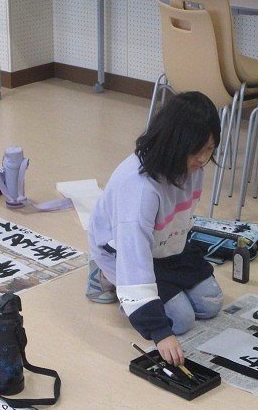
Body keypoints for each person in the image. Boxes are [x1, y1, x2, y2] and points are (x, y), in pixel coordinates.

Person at [86, 91, 224, 366]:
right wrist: (159, 332)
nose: (203, 158)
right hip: (121, 250)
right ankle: (102, 272)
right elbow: (134, 255)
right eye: (197, 150)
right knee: (179, 320)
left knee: (211, 302)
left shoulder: (192, 168)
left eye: (209, 149)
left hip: (165, 247)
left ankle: (157, 288)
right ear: (175, 143)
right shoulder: (139, 188)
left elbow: (179, 222)